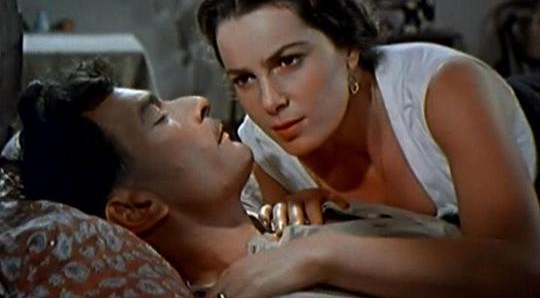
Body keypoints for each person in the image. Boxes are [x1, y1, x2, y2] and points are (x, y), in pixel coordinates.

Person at [197, 0, 540, 296]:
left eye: (288, 61)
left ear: (348, 48)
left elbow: (521, 270)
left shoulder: (445, 88)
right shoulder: (265, 147)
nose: (270, 101)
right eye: (245, 79)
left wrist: (321, 252)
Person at [16, 60, 460, 298]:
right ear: (137, 208)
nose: (198, 102)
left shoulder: (287, 214)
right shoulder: (268, 286)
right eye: (159, 118)